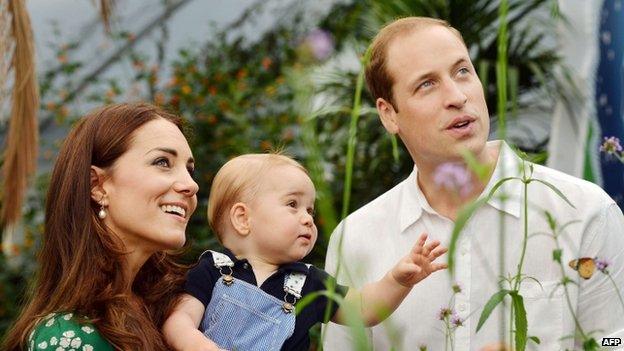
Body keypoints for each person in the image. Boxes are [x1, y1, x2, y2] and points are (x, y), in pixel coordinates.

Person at [323, 17, 624, 350]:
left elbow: (614, 341)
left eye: (462, 71)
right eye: (427, 84)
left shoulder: (584, 212)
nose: (456, 96)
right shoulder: (356, 239)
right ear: (389, 114)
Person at [162, 153, 447, 351]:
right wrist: (198, 345)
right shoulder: (213, 269)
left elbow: (364, 309)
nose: (308, 218)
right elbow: (179, 320)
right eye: (292, 205)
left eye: (310, 209)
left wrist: (397, 281)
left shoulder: (309, 282)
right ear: (243, 219)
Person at [2, 103, 199, 350]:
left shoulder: (180, 312)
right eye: (162, 162)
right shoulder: (70, 337)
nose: (191, 185)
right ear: (97, 186)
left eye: (190, 170)